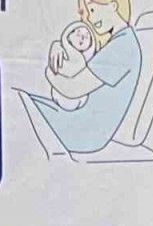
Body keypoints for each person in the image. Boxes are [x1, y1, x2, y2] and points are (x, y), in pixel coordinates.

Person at [33, 0, 141, 153]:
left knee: (15, 99)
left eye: (92, 10)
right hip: (78, 122)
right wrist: (59, 46)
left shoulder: (122, 46)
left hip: (81, 132)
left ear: (113, 5)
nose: (89, 18)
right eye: (87, 12)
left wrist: (50, 71)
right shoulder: (117, 41)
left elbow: (72, 89)